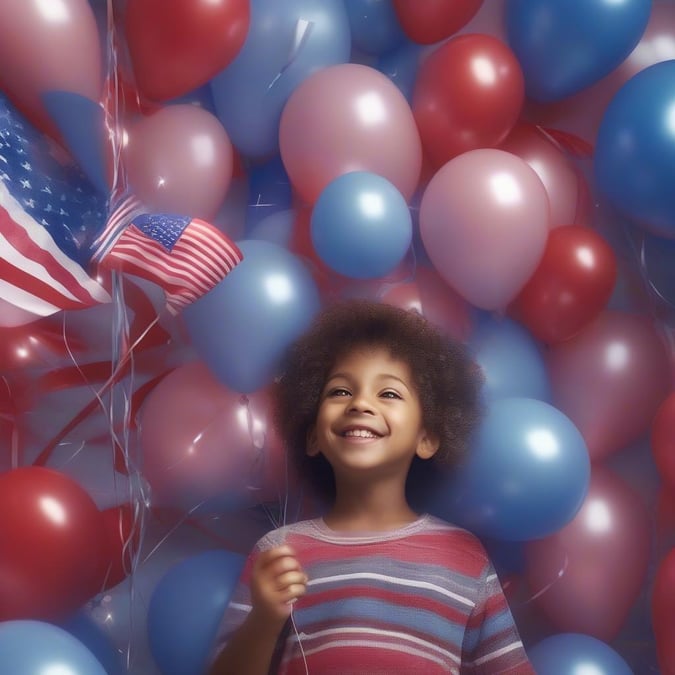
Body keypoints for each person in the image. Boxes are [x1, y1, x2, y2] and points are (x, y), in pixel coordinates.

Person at [209, 299, 535, 674]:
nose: (360, 403)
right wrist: (264, 619)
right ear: (313, 434)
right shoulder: (278, 553)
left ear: (427, 437)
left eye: (390, 394)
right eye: (340, 392)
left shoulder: (466, 557)